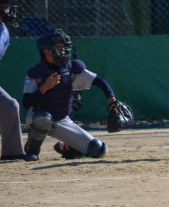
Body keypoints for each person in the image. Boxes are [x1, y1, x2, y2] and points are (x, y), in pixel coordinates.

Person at [22, 29, 119, 162]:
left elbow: (99, 81)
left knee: (98, 150)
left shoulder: (70, 69)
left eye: (63, 47)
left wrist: (112, 101)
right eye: (57, 47)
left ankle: (66, 147)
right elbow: (26, 102)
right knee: (43, 118)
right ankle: (32, 150)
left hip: (62, 120)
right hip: (38, 118)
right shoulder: (36, 73)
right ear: (46, 51)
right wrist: (45, 87)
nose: (62, 51)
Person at [0, 0, 26, 161]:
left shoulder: (3, 31)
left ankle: (12, 152)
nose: (8, 9)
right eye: (4, 5)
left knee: (10, 107)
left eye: (8, 5)